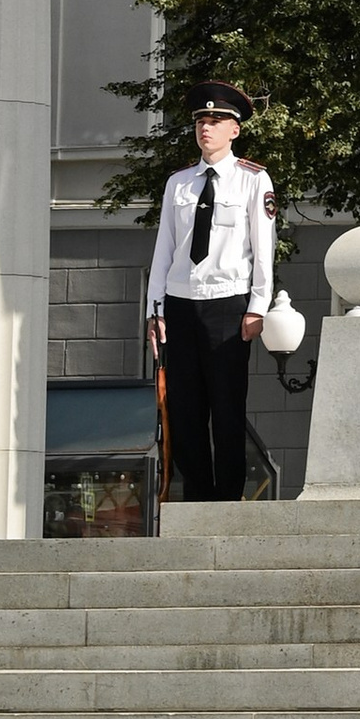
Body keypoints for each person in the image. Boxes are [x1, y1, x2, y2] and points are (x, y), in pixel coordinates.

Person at [144, 82, 273, 505]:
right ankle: (197, 499)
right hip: (180, 304)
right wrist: (155, 309)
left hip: (228, 303)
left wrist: (257, 307)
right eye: (201, 120)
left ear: (235, 129)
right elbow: (164, 248)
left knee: (226, 409)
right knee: (184, 410)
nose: (206, 128)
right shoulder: (178, 183)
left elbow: (262, 251)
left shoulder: (253, 180)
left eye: (216, 121)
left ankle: (227, 501)